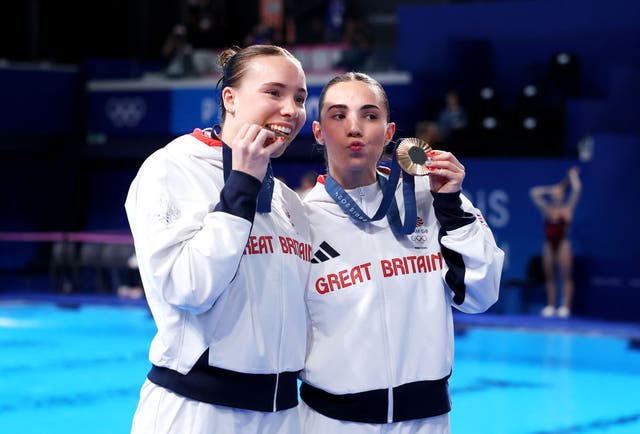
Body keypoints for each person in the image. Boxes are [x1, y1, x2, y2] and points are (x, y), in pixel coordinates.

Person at [298, 72, 504, 433]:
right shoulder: (299, 218)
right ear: (318, 131)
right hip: (330, 423)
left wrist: (451, 207)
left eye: (370, 115)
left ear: (390, 134)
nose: (355, 128)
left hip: (425, 422)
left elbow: (480, 295)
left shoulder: (433, 199)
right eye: (338, 115)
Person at [124, 45, 311, 434]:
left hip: (281, 416)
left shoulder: (287, 201)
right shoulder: (172, 168)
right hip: (200, 412)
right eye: (274, 93)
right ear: (230, 99)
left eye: (300, 97)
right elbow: (188, 287)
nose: (290, 110)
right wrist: (240, 186)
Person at [529, 166, 582, 318]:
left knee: (566, 276)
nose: (556, 195)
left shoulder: (567, 210)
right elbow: (534, 193)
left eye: (559, 193)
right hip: (549, 244)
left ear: (563, 196)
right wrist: (552, 188)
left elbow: (577, 190)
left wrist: (572, 177)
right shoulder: (547, 210)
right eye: (554, 194)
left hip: (563, 244)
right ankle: (551, 306)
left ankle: (565, 307)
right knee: (550, 275)